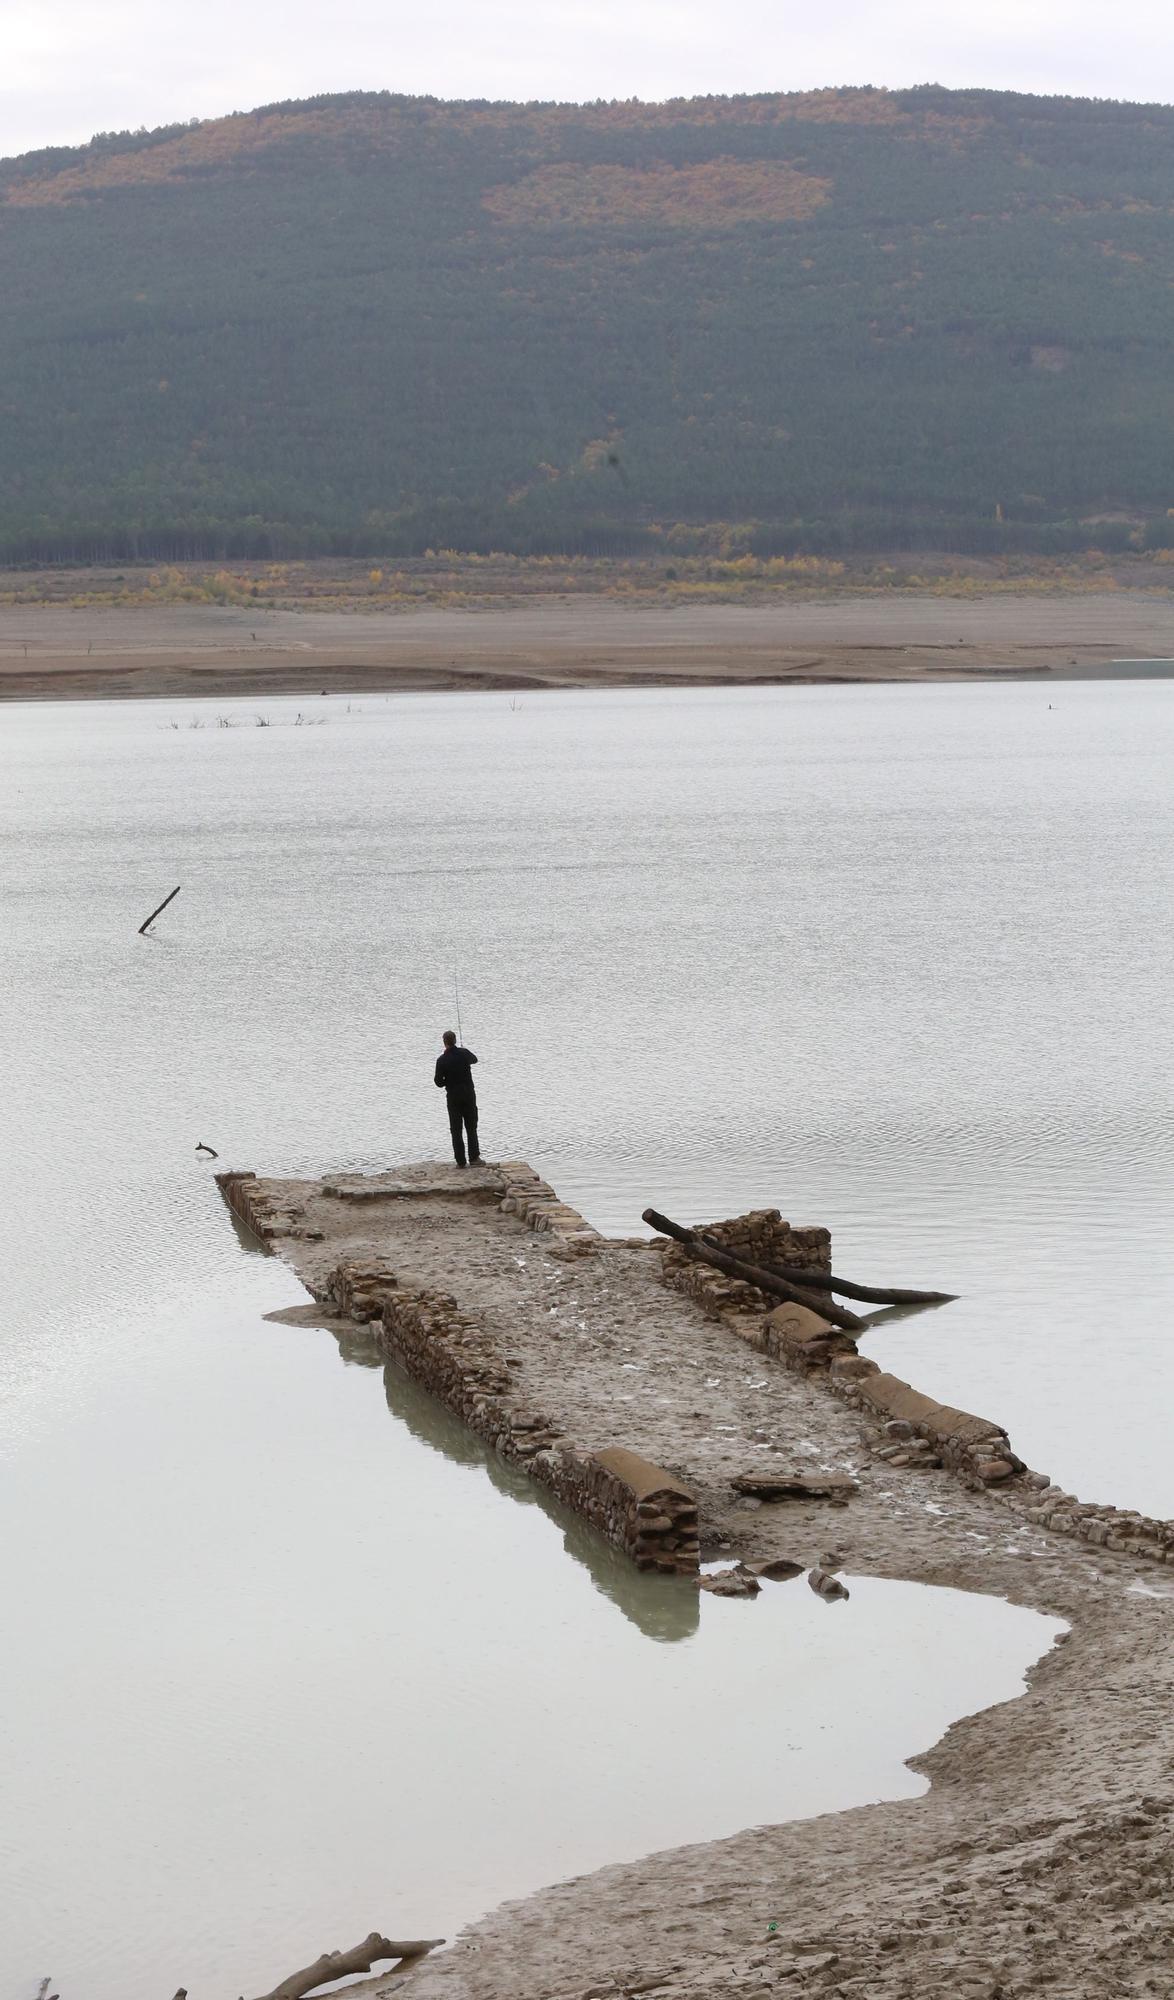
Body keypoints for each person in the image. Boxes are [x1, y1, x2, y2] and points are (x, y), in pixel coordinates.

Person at [434, 1030, 480, 1167]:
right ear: (455, 1040)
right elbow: (475, 1060)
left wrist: (447, 1081)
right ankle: (474, 1158)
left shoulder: (441, 1060)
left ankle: (460, 1161)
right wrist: (463, 1051)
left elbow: (438, 1082)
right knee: (471, 1126)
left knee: (456, 1129)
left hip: (453, 1097)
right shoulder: (464, 1053)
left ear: (444, 1042)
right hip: (468, 1095)